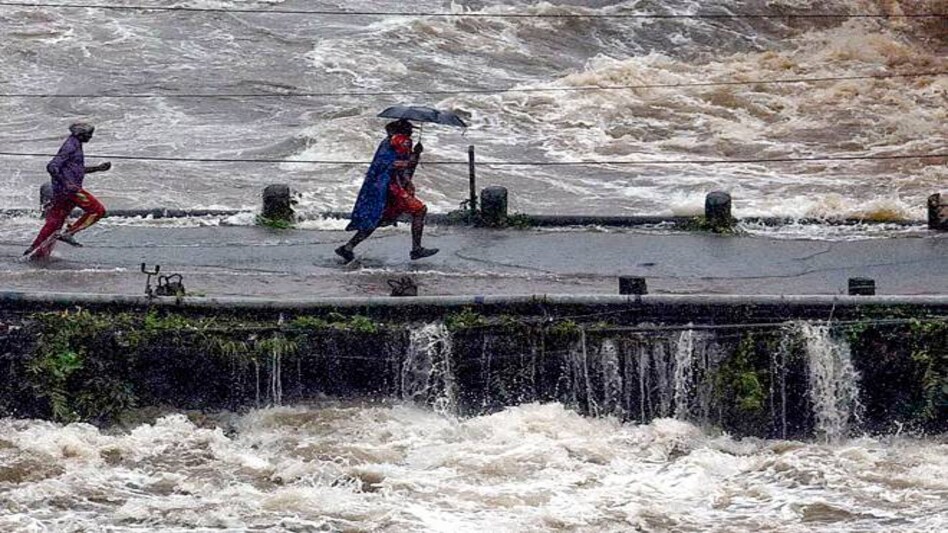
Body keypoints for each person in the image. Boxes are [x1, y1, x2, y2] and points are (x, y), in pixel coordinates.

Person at [335, 119, 438, 263]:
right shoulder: (402, 141)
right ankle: (416, 249)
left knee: (378, 219)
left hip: (381, 186)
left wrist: (414, 155)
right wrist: (416, 154)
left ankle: (348, 247)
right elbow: (401, 165)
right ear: (403, 130)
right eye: (409, 129)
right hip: (391, 187)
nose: (411, 132)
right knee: (420, 210)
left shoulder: (387, 142)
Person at [24, 123, 111, 259]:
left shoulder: (75, 144)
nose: (90, 137)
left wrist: (98, 168)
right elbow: (52, 166)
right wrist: (66, 184)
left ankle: (35, 251)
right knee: (97, 210)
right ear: (80, 134)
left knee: (55, 223)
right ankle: (69, 233)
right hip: (70, 191)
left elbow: (75, 170)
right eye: (88, 134)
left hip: (62, 192)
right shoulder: (70, 146)